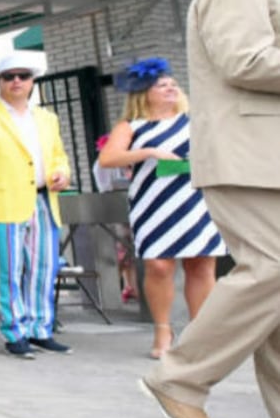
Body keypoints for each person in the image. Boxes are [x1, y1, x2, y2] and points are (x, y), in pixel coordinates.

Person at [139, 0, 280, 418]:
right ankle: (180, 377)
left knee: (274, 284)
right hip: (247, 156)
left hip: (260, 155)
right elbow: (244, 60)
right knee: (271, 269)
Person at [95, 58, 224, 359]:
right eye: (161, 85)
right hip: (153, 203)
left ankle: (199, 334)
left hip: (196, 199)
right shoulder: (131, 126)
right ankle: (163, 329)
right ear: (144, 93)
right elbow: (108, 159)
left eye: (173, 85)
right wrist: (150, 151)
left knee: (201, 263)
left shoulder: (195, 120)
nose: (170, 89)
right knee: (158, 265)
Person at [0, 52, 74, 359]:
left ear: (33, 81)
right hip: (1, 204)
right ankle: (14, 331)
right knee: (8, 270)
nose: (17, 81)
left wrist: (63, 173)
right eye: (9, 76)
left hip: (44, 200)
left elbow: (58, 154)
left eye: (23, 75)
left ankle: (40, 329)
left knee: (43, 268)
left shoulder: (47, 118)